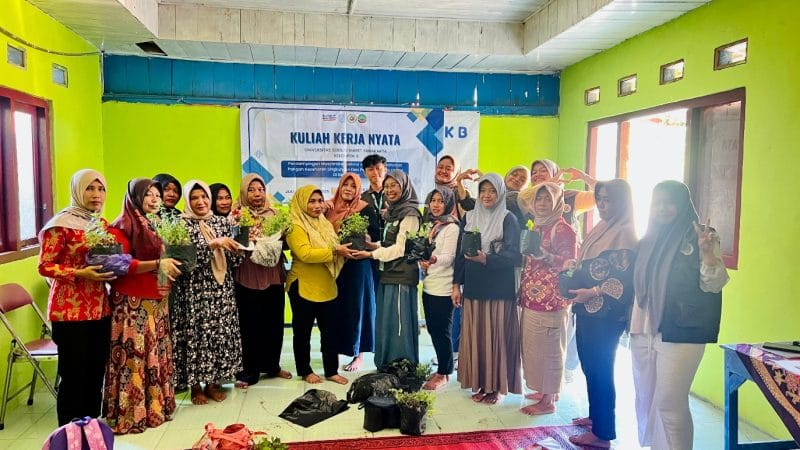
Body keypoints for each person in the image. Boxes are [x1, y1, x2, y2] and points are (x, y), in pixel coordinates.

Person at [631, 180, 728, 450]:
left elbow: (714, 283)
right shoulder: (648, 239)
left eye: (670, 202)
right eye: (657, 202)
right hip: (645, 329)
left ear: (684, 204)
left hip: (682, 329)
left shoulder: (700, 236)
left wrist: (707, 254)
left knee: (670, 402)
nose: (662, 208)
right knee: (648, 398)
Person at [38, 169, 116, 425]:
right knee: (74, 374)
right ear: (77, 191)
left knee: (95, 371)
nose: (96, 195)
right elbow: (45, 266)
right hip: (69, 311)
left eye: (101, 189)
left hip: (99, 308)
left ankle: (91, 426)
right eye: (89, 189)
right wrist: (79, 272)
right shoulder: (60, 225)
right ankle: (70, 431)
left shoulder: (100, 224)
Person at [104, 178, 182, 434]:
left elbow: (166, 258)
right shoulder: (121, 226)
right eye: (147, 194)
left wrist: (166, 279)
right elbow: (118, 265)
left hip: (157, 298)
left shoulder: (157, 224)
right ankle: (131, 413)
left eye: (156, 194)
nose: (154, 198)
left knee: (155, 354)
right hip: (131, 302)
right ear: (135, 197)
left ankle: (156, 408)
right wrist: (158, 265)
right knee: (135, 358)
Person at [564, 179, 638, 448]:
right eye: (600, 199)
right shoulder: (603, 227)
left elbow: (621, 281)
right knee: (589, 366)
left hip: (606, 314)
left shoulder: (626, 232)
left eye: (610, 200)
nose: (604, 205)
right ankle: (596, 417)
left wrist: (591, 292)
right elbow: (594, 265)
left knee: (601, 369)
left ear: (622, 202)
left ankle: (603, 434)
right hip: (587, 308)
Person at [171, 180, 244, 405]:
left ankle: (213, 383)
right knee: (196, 335)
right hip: (194, 291)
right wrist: (212, 245)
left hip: (221, 290)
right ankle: (195, 387)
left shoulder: (221, 223)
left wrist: (239, 247)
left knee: (218, 335)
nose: (201, 202)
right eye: (194, 198)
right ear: (188, 201)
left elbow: (233, 260)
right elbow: (184, 262)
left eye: (204, 197)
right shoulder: (180, 225)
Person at [453, 173, 522, 405]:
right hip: (474, 286)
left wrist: (487, 259)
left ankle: (497, 387)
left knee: (496, 337)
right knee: (478, 336)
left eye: (492, 191)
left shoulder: (508, 218)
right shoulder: (470, 217)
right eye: (483, 191)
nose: (487, 195)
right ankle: (482, 382)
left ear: (500, 193)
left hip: (499, 288)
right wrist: (456, 284)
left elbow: (514, 255)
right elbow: (459, 255)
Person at [516, 182, 577, 415]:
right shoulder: (538, 226)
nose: (541, 204)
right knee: (536, 348)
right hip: (533, 300)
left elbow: (570, 264)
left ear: (557, 202)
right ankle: (545, 390)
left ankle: (549, 400)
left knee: (550, 349)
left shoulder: (562, 228)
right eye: (538, 199)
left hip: (552, 301)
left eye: (547, 199)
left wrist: (544, 255)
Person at [352, 170, 422, 369]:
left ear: (404, 187)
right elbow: (389, 243)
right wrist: (372, 245)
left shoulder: (410, 214)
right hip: (388, 275)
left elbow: (401, 249)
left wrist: (370, 255)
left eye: (394, 186)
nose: (390, 190)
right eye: (387, 186)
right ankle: (387, 365)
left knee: (400, 324)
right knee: (387, 322)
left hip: (401, 277)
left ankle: (402, 366)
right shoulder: (394, 211)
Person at [285, 185, 351, 384]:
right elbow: (305, 253)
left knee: (330, 331)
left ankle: (331, 370)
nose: (316, 206)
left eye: (319, 201)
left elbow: (334, 246)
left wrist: (345, 251)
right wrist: (335, 252)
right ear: (301, 202)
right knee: (302, 332)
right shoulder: (294, 225)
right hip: (303, 285)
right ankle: (305, 370)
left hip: (327, 284)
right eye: (311, 201)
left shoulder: (324, 223)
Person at [231, 174, 292, 388]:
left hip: (272, 275)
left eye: (260, 189)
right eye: (252, 189)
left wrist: (282, 237)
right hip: (248, 274)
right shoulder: (237, 214)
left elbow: (285, 244)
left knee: (274, 324)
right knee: (250, 325)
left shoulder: (275, 214)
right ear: (244, 192)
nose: (257, 194)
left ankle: (272, 366)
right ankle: (249, 371)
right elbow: (236, 244)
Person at [325, 172, 378, 372]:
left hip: (358, 265)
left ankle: (358, 355)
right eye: (345, 185)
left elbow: (375, 236)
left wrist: (367, 238)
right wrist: (323, 210)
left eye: (353, 186)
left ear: (358, 190)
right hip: (335, 265)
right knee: (335, 308)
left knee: (358, 308)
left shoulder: (365, 209)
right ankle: (337, 350)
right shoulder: (329, 208)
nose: (348, 189)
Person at [419, 187, 461, 390]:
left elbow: (450, 257)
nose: (435, 204)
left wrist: (433, 259)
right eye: (432, 200)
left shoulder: (452, 227)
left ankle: (444, 374)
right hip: (429, 285)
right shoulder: (433, 225)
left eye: (440, 201)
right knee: (433, 330)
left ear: (448, 204)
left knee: (442, 331)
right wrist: (423, 261)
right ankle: (441, 368)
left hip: (443, 287)